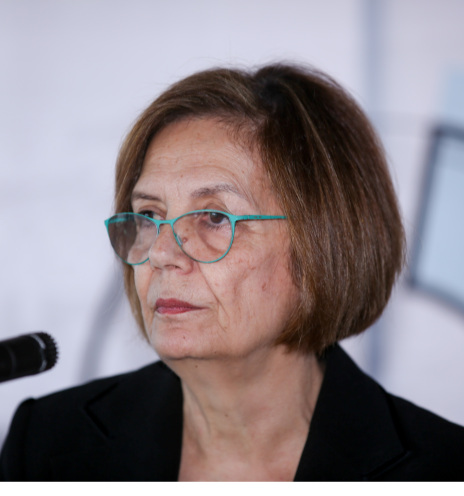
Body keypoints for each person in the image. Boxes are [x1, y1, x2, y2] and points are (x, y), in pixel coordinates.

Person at [1, 63, 464, 481]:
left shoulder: (441, 470)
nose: (161, 253)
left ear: (324, 242)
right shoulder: (48, 442)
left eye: (214, 217)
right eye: (148, 215)